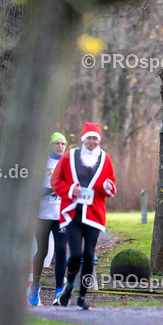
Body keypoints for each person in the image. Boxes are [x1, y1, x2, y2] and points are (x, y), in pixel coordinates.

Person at [51, 122, 117, 310]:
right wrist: (72, 189)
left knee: (89, 255)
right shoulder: (69, 157)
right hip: (73, 213)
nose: (92, 142)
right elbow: (55, 181)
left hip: (94, 214)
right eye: (89, 138)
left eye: (95, 138)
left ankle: (81, 297)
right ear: (83, 139)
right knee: (76, 255)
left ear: (99, 140)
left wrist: (107, 187)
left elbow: (111, 183)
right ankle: (69, 286)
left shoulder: (105, 159)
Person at [27, 134, 69, 306]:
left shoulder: (68, 163)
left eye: (63, 143)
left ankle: (59, 290)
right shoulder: (42, 163)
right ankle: (35, 286)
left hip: (61, 214)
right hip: (43, 214)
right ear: (50, 145)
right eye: (57, 143)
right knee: (42, 252)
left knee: (60, 250)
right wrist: (51, 189)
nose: (60, 146)